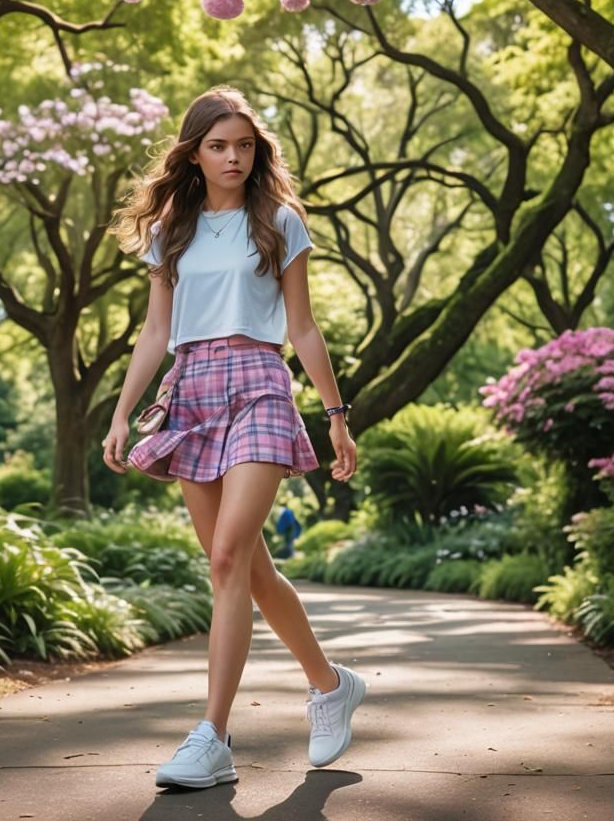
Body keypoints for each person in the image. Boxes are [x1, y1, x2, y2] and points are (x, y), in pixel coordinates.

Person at [102, 85, 367, 790]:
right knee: (248, 572)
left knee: (226, 558)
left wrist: (337, 416)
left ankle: (212, 737)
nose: (233, 157)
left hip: (259, 384)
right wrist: (122, 412)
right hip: (190, 389)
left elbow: (303, 326)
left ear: (257, 151)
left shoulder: (280, 222)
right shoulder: (171, 232)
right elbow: (155, 330)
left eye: (244, 146)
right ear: (193, 153)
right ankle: (331, 685)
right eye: (218, 146)